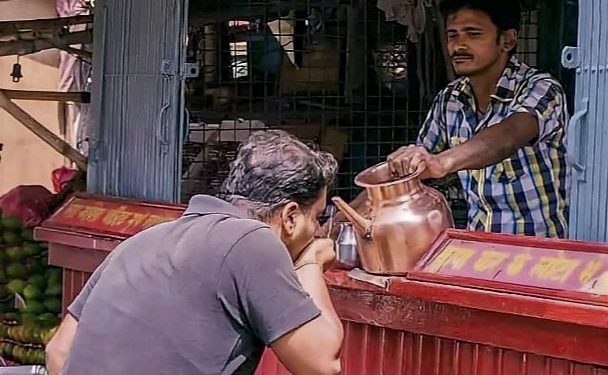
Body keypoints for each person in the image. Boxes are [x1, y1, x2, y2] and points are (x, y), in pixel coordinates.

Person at [45, 130, 343, 375]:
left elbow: (58, 351)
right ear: (290, 217)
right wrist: (309, 262)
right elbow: (322, 364)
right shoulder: (254, 240)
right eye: (316, 218)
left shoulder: (142, 241)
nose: (317, 231)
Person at [352, 0, 569, 238]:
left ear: (507, 40)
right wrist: (337, 221)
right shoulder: (449, 99)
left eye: (473, 34)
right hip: (477, 251)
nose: (458, 45)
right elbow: (408, 174)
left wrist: (440, 163)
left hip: (541, 256)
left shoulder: (542, 89)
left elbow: (506, 137)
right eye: (452, 35)